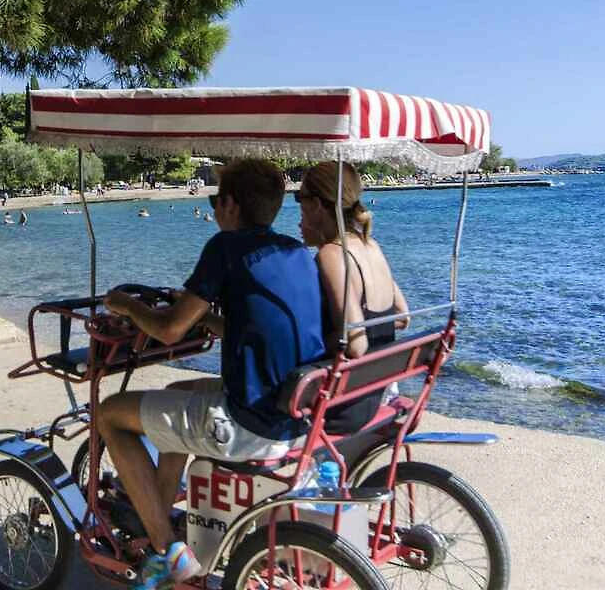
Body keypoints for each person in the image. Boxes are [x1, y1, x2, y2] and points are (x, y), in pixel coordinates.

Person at [96, 158, 326, 589]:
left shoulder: (225, 247)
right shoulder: (295, 251)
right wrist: (203, 317)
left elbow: (168, 330)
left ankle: (167, 552)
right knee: (177, 389)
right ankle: (158, 515)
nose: (215, 209)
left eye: (214, 201)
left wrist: (127, 305)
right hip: (293, 414)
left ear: (230, 205)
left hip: (247, 424)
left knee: (109, 413)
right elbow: (251, 326)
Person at [296, 161, 410, 430]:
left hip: (340, 407)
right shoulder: (371, 245)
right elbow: (402, 317)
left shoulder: (332, 255)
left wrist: (304, 344)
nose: (298, 211)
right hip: (371, 394)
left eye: (300, 198)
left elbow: (356, 344)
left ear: (318, 205)